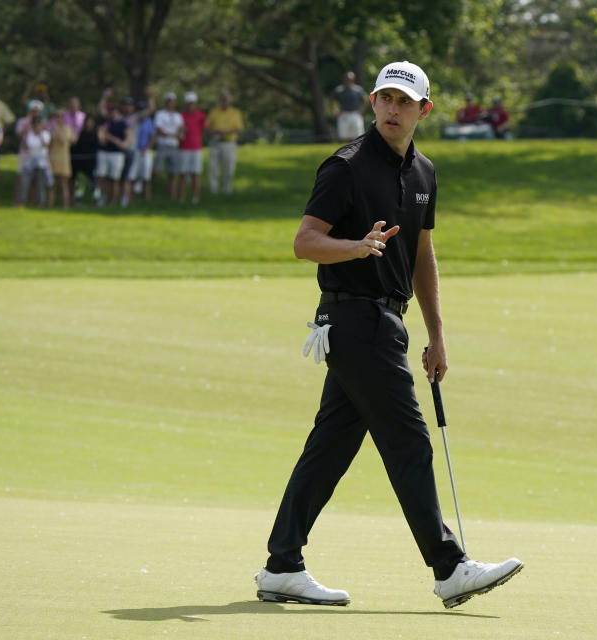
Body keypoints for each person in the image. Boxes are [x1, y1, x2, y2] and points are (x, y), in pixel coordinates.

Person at [255, 60, 523, 610]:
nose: (393, 109)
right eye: (385, 99)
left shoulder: (424, 172)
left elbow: (421, 254)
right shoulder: (346, 167)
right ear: (372, 103)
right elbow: (305, 241)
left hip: (388, 322)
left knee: (330, 447)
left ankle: (282, 565)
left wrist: (438, 333)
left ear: (425, 109)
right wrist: (353, 247)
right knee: (408, 439)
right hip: (353, 320)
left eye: (405, 101)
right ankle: (450, 567)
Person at [205, 90, 244, 194]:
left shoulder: (235, 113)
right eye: (223, 100)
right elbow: (207, 126)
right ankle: (214, 190)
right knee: (213, 168)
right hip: (215, 143)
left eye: (226, 100)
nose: (224, 102)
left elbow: (238, 128)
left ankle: (227, 190)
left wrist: (226, 132)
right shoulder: (214, 112)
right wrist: (215, 131)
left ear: (230, 101)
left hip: (229, 143)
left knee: (228, 168)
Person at [96, 101, 132, 206]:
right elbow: (101, 141)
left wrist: (122, 142)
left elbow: (127, 138)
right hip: (104, 152)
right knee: (102, 177)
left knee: (114, 178)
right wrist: (104, 134)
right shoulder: (104, 124)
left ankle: (113, 201)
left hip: (117, 154)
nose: (111, 113)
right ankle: (102, 198)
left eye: (113, 111)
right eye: (109, 111)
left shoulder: (122, 123)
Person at [17, 110, 51, 207]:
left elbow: (46, 145)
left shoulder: (45, 134)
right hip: (29, 161)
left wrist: (39, 135)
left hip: (41, 162)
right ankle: (22, 201)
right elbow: (25, 147)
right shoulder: (29, 134)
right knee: (25, 183)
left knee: (40, 184)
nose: (37, 127)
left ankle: (41, 203)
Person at [154, 91, 184, 200]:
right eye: (168, 101)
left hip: (174, 146)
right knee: (156, 171)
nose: (170, 103)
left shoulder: (178, 116)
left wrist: (180, 134)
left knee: (172, 173)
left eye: (172, 101)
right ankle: (151, 194)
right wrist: (174, 134)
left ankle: (172, 198)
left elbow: (181, 129)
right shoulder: (160, 114)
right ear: (165, 102)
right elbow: (159, 130)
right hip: (162, 144)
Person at [178, 91, 206, 204]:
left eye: (192, 103)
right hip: (184, 148)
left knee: (195, 174)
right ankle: (181, 198)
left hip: (196, 148)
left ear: (195, 103)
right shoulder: (181, 116)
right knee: (183, 174)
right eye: (189, 103)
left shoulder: (201, 116)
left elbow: (203, 130)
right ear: (186, 103)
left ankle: (195, 198)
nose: (191, 105)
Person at [127, 100, 157, 203]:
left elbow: (153, 136)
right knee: (132, 177)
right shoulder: (134, 119)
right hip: (135, 151)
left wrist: (148, 148)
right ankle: (130, 200)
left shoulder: (149, 121)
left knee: (146, 177)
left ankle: (146, 201)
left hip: (146, 151)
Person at [47, 109, 74, 208]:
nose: (58, 118)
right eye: (57, 116)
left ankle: (65, 206)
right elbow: (48, 143)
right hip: (53, 158)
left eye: (60, 116)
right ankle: (50, 205)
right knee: (51, 184)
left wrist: (57, 130)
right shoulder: (52, 129)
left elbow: (63, 141)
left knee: (64, 184)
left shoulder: (67, 128)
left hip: (63, 159)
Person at [331, 71, 369, 141]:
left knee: (358, 136)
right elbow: (331, 100)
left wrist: (361, 111)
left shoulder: (358, 90)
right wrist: (335, 110)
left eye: (350, 79)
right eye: (347, 79)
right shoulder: (339, 90)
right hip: (343, 114)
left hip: (355, 114)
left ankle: (356, 151)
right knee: (343, 136)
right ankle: (344, 151)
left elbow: (366, 100)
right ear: (344, 79)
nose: (348, 81)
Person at [70, 114, 99, 203]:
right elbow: (73, 143)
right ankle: (78, 200)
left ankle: (96, 200)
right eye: (88, 122)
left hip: (91, 162)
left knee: (93, 183)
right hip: (81, 162)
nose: (89, 124)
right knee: (81, 183)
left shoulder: (96, 133)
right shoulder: (80, 133)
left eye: (91, 122)